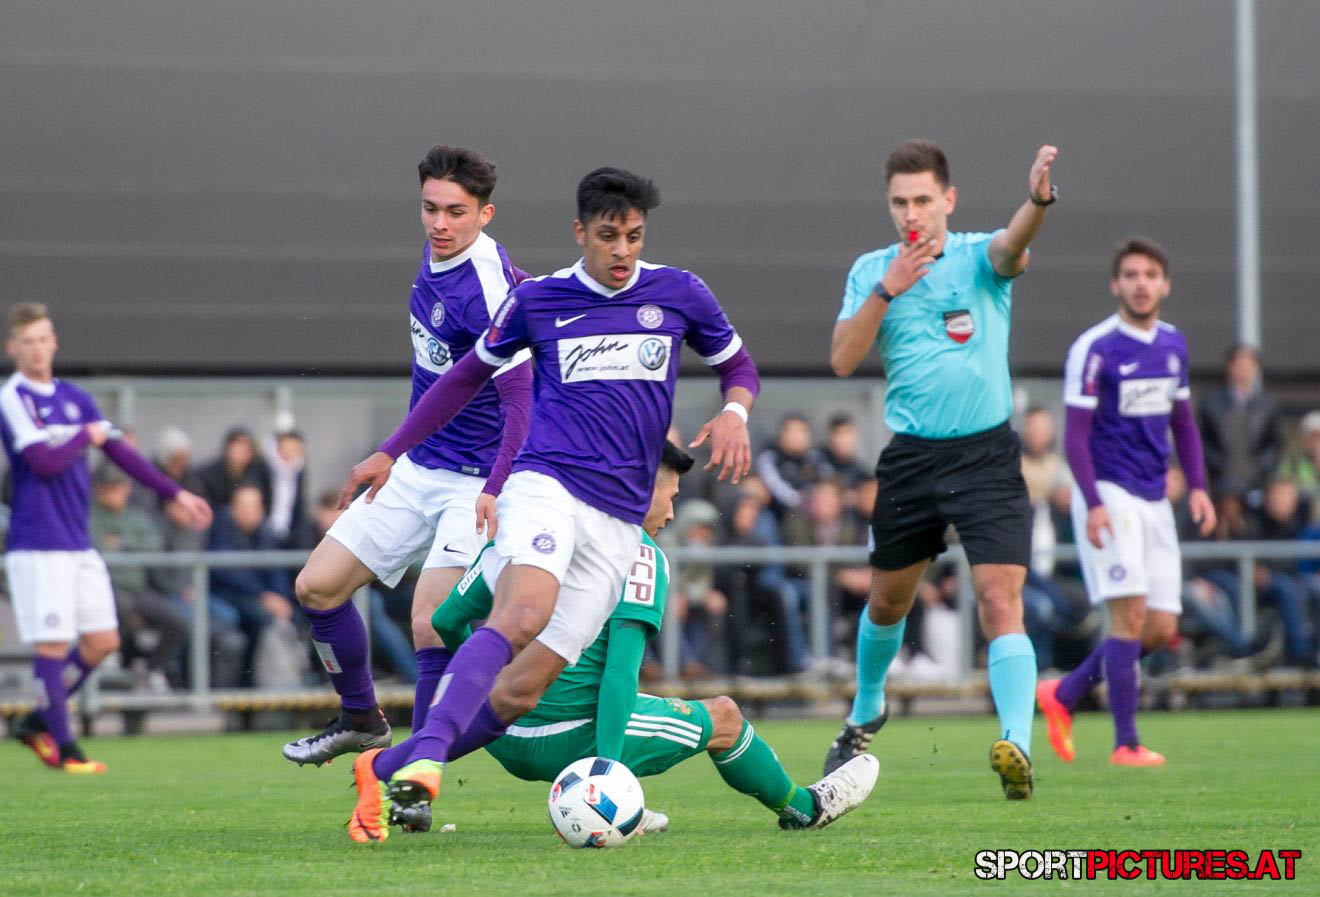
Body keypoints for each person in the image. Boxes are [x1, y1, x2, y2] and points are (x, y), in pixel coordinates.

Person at [337, 166, 759, 841]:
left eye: (634, 237)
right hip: (547, 486)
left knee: (519, 691)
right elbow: (463, 378)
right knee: (523, 612)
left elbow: (737, 365)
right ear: (579, 232)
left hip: (617, 522)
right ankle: (426, 758)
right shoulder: (539, 300)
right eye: (608, 236)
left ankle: (380, 765)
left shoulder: (679, 292)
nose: (622, 251)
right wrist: (393, 449)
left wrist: (736, 412)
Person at [282, 145, 533, 765]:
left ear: (486, 214)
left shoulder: (486, 288)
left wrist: (496, 487)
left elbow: (522, 403)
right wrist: (393, 452)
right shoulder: (439, 256)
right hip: (419, 465)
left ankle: (415, 775)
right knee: (317, 587)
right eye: (430, 208)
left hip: (474, 483)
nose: (440, 224)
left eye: (456, 212)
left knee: (432, 621)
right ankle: (362, 720)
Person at [825, 139, 1058, 799]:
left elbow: (1013, 245)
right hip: (913, 459)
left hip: (986, 455)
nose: (911, 213)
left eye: (923, 199)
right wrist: (886, 290)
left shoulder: (978, 256)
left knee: (999, 599)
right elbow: (841, 359)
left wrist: (1037, 201)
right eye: (900, 202)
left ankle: (1016, 742)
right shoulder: (872, 270)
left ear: (948, 200)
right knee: (887, 601)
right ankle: (867, 707)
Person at [2, 303, 211, 772]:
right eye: (27, 341)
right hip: (38, 545)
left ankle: (36, 720)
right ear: (13, 348)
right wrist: (84, 436)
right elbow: (43, 462)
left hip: (77, 544)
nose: (37, 349)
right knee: (52, 646)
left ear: (54, 342)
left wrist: (176, 493)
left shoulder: (75, 398)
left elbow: (120, 452)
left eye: (43, 339)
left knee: (102, 641)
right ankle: (66, 747)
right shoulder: (13, 398)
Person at [1036, 237, 1216, 767]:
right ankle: (1126, 743)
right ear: (1116, 284)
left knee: (1159, 629)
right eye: (1132, 275)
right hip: (1109, 492)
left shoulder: (1173, 344)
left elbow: (1183, 421)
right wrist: (1093, 502)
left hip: (1154, 496)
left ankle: (1064, 692)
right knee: (1129, 614)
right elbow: (1075, 436)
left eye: (1151, 275)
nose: (1141, 284)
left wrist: (1198, 486)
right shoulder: (1095, 348)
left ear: (1166, 285)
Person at [1196, 344, 1284, 506]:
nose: (1244, 370)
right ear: (1229, 367)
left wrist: (1258, 468)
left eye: (1249, 365)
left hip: (1257, 485)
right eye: (1239, 365)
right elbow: (1201, 441)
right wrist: (1219, 466)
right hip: (1219, 484)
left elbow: (1275, 444)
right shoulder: (1211, 404)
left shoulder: (1268, 406)